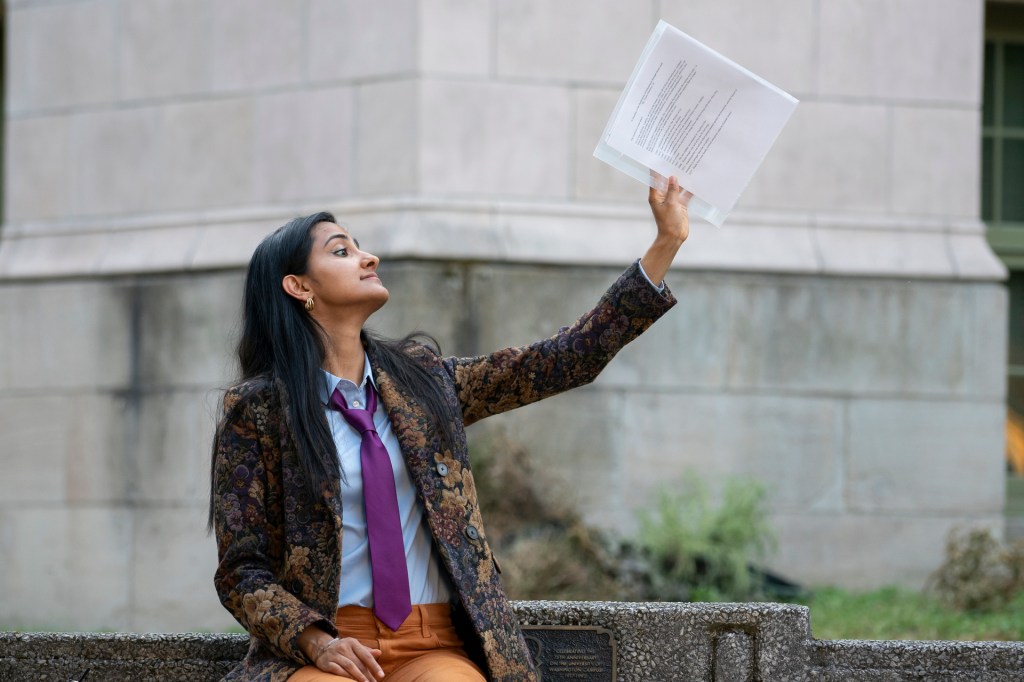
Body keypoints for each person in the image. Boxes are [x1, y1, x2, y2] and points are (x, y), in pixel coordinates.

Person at [209, 177, 693, 682]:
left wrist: (665, 244)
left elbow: (565, 360)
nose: (368, 257)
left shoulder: (425, 382)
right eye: (342, 251)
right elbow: (242, 569)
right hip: (324, 650)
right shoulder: (259, 411)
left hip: (432, 644)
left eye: (360, 247)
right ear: (299, 285)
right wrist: (314, 640)